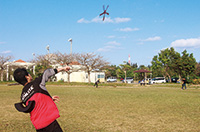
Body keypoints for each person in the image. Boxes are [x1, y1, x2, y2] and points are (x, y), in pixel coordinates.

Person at [13, 66, 70, 132]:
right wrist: (62, 68)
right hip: (49, 122)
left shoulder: (23, 96)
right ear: (27, 77)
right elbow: (47, 73)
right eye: (28, 73)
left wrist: (49, 98)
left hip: (38, 125)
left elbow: (34, 104)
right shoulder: (37, 83)